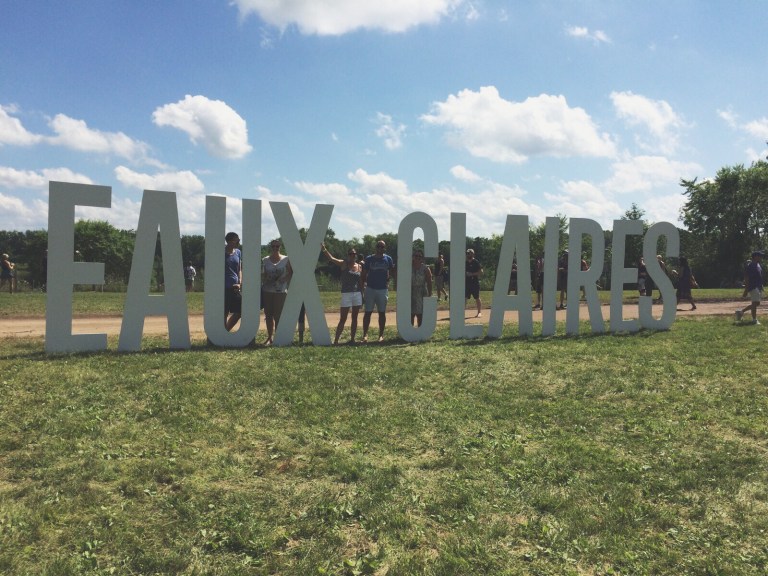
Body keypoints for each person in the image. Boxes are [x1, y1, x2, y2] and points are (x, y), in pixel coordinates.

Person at [322, 243, 363, 344]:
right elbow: (331, 258)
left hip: (357, 294)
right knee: (343, 318)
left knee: (355, 318)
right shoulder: (344, 263)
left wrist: (362, 295)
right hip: (346, 294)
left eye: (354, 254)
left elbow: (360, 282)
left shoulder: (359, 266)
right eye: (351, 254)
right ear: (348, 255)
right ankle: (336, 341)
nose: (352, 255)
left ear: (356, 255)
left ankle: (352, 339)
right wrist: (324, 249)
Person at [362, 240, 396, 343]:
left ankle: (381, 335)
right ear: (375, 247)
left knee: (382, 313)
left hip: (382, 289)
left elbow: (392, 271)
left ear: (385, 248)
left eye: (382, 247)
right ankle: (365, 335)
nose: (380, 248)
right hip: (370, 289)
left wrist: (390, 281)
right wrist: (362, 286)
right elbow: (364, 273)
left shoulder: (388, 259)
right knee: (368, 313)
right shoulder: (369, 259)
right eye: (378, 246)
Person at [262, 239, 293, 346]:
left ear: (280, 247)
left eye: (277, 246)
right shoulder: (265, 260)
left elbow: (290, 273)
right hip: (267, 290)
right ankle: (269, 337)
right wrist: (266, 278)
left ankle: (278, 338)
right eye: (273, 246)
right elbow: (264, 275)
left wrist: (283, 280)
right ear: (271, 247)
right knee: (268, 315)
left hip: (281, 292)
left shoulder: (286, 259)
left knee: (278, 315)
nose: (275, 248)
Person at [736, 250, 764, 325]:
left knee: (757, 303)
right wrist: (746, 289)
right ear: (755, 257)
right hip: (753, 286)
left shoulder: (758, 265)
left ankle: (741, 312)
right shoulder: (751, 265)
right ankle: (754, 320)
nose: (761, 257)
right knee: (754, 303)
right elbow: (747, 277)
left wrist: (761, 286)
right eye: (760, 256)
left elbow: (759, 276)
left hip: (758, 286)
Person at [223, 233, 242, 331]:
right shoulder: (221, 252)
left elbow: (239, 269)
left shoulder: (238, 252)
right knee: (224, 312)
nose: (239, 242)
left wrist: (239, 282)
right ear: (229, 241)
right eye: (237, 240)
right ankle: (222, 333)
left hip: (235, 288)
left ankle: (226, 330)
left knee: (240, 310)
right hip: (224, 288)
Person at [411, 249, 433, 327]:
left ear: (422, 258)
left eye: (419, 256)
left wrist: (430, 294)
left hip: (422, 292)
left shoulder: (425, 268)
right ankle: (410, 330)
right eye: (416, 256)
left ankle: (420, 329)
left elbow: (429, 282)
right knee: (410, 314)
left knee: (420, 314)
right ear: (413, 257)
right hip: (410, 292)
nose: (418, 257)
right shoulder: (408, 267)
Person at [465, 248, 483, 317]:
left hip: (474, 282)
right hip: (466, 283)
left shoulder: (476, 262)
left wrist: (472, 274)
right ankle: (461, 312)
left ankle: (479, 312)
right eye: (467, 253)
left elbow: (481, 272)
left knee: (477, 297)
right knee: (464, 298)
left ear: (473, 254)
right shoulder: (465, 262)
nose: (467, 254)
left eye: (469, 253)